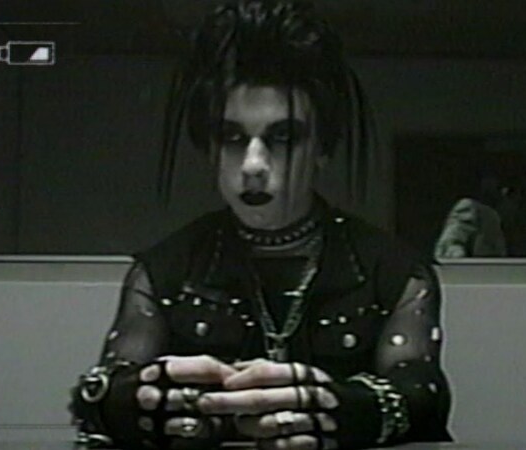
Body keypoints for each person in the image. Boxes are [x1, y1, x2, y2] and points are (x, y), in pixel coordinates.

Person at [70, 1, 452, 449]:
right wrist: (133, 402)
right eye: (232, 137)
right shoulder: (165, 270)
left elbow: (422, 395)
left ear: (322, 149)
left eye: (283, 137)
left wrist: (346, 409)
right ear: (210, 148)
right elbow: (102, 394)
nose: (253, 165)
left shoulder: (392, 272)